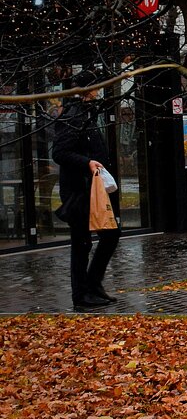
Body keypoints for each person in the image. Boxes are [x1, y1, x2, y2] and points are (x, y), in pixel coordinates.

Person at [53, 70, 120, 311]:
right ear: (88, 89)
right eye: (96, 86)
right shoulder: (74, 116)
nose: (100, 89)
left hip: (93, 190)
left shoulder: (86, 114)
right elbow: (59, 153)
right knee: (82, 243)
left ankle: (92, 285)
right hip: (79, 192)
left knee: (110, 234)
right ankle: (82, 295)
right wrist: (87, 163)